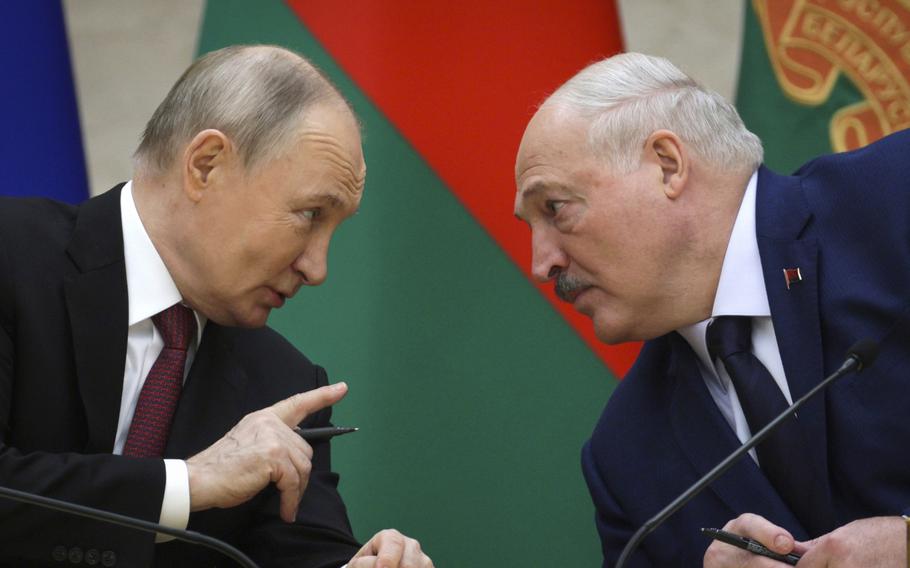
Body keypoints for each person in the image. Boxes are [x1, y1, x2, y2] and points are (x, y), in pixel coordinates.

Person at [0, 45, 432, 568]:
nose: (318, 268)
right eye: (311, 214)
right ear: (206, 165)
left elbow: (305, 554)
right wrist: (192, 483)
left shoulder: (284, 386)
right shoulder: (11, 259)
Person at [513, 52, 910, 567]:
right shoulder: (625, 457)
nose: (541, 265)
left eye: (554, 208)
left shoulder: (894, 202)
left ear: (668, 165)